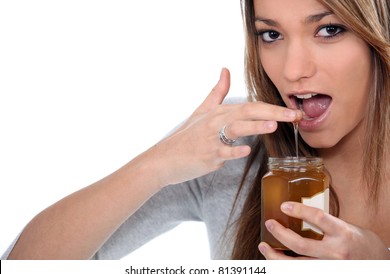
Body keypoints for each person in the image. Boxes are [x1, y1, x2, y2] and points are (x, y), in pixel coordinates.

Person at [3, 0, 390, 260]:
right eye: (270, 35)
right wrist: (158, 164)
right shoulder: (233, 146)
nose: (292, 71)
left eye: (328, 30)